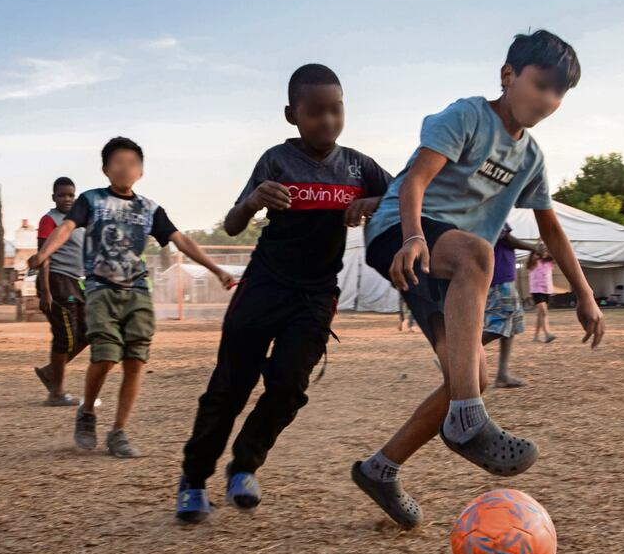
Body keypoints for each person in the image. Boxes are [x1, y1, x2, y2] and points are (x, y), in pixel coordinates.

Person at [352, 30, 605, 529]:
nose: (549, 100)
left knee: (471, 375)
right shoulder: (467, 116)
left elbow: (550, 227)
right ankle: (469, 420)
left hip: (449, 266)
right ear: (508, 76)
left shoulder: (530, 157)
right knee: (477, 254)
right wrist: (411, 238)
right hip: (403, 237)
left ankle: (380, 469)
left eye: (560, 93)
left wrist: (584, 293)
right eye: (541, 85)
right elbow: (417, 180)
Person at [176, 64, 392, 523]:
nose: (328, 121)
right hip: (264, 287)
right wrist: (254, 200)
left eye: (336, 110)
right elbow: (234, 223)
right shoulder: (276, 160)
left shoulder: (359, 166)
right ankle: (194, 479)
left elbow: (408, 194)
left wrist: (373, 202)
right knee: (229, 389)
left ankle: (244, 467)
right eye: (315, 112)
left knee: (290, 387)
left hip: (315, 296)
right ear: (292, 114)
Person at [29, 137, 235, 458]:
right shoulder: (91, 200)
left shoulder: (150, 209)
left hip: (137, 292)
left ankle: (118, 432)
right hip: (100, 289)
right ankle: (87, 412)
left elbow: (182, 241)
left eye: (132, 164)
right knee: (106, 355)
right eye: (118, 163)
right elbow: (66, 228)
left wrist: (216, 269)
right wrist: (44, 253)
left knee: (136, 361)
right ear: (105, 169)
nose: (125, 169)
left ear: (140, 172)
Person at [33, 176, 89, 406]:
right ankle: (56, 393)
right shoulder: (49, 220)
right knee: (64, 336)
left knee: (88, 332)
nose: (67, 199)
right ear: (53, 197)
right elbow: (43, 256)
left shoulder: (79, 222)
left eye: (71, 195)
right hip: (56, 281)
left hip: (76, 282)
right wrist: (45, 290)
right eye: (62, 195)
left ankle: (49, 372)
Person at [483, 224, 534, 387]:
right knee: (498, 326)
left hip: (503, 278)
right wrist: (534, 247)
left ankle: (502, 375)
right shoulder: (494, 206)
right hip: (498, 279)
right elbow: (506, 238)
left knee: (510, 327)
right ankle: (453, 357)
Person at [528, 245, 556, 343]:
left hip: (547, 291)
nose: (544, 252)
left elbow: (555, 253)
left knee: (540, 314)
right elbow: (533, 255)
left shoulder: (549, 263)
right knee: (544, 312)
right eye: (542, 251)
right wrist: (538, 245)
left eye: (546, 250)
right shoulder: (533, 262)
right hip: (536, 290)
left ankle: (535, 336)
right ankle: (547, 334)